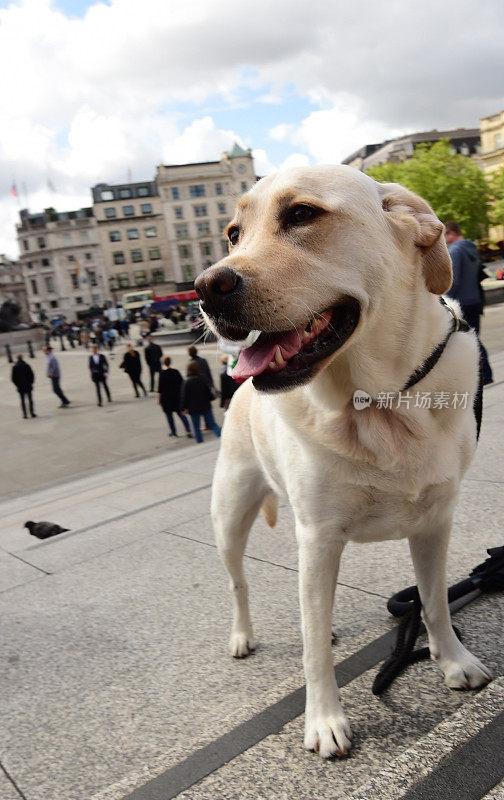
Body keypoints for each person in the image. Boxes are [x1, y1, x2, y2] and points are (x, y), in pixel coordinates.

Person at [444, 221, 493, 384]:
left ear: (451, 233)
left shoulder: (456, 250)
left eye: (444, 235)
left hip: (461, 302)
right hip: (474, 300)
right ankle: (484, 374)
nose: (442, 240)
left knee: (467, 340)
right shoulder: (470, 248)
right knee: (472, 338)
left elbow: (453, 280)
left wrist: (444, 300)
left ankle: (484, 375)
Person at [181, 361, 221, 443]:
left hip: (194, 408)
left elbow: (184, 396)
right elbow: (208, 391)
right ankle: (220, 437)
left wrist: (183, 408)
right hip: (205, 405)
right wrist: (210, 399)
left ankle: (200, 442)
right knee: (212, 424)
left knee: (196, 427)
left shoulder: (187, 382)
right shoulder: (203, 378)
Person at [157, 356, 192, 438]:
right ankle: (188, 430)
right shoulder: (175, 372)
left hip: (166, 399)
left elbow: (160, 389)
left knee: (169, 416)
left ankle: (173, 432)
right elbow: (182, 384)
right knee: (181, 414)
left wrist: (159, 400)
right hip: (177, 397)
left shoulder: (162, 373)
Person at [11, 353, 36, 419]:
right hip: (28, 385)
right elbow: (31, 375)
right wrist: (31, 382)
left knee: (22, 400)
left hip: (20, 386)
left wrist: (17, 385)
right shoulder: (27, 365)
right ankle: (32, 412)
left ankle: (25, 414)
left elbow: (13, 378)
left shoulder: (15, 367)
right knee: (30, 399)